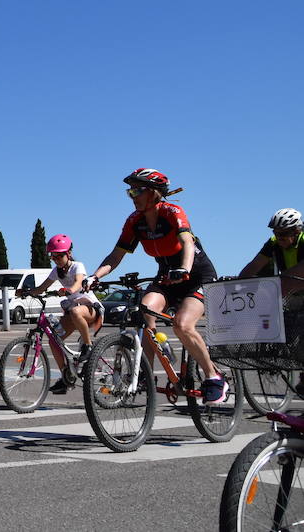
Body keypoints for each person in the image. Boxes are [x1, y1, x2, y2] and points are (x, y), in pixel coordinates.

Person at [89, 168, 228, 404]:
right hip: (167, 276)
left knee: (182, 325)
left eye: (137, 190)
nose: (132, 196)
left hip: (197, 275)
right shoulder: (135, 221)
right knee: (144, 311)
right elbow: (116, 255)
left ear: (153, 193)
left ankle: (214, 377)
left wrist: (183, 269)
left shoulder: (172, 212)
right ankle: (146, 375)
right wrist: (94, 277)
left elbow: (186, 241)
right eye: (130, 191)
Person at [25, 233, 103, 394]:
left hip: (90, 308)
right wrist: (26, 292)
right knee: (54, 340)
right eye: (53, 256)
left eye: (59, 255)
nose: (56, 259)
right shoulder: (56, 271)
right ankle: (66, 377)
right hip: (73, 312)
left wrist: (69, 291)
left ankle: (88, 346)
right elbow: (42, 287)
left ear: (68, 254)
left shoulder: (77, 266)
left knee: (75, 311)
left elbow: (78, 283)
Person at [238, 209, 304, 293]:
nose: (279, 238)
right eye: (275, 233)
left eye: (283, 234)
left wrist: (278, 281)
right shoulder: (273, 242)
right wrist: (237, 283)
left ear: (296, 231)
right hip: (293, 293)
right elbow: (254, 265)